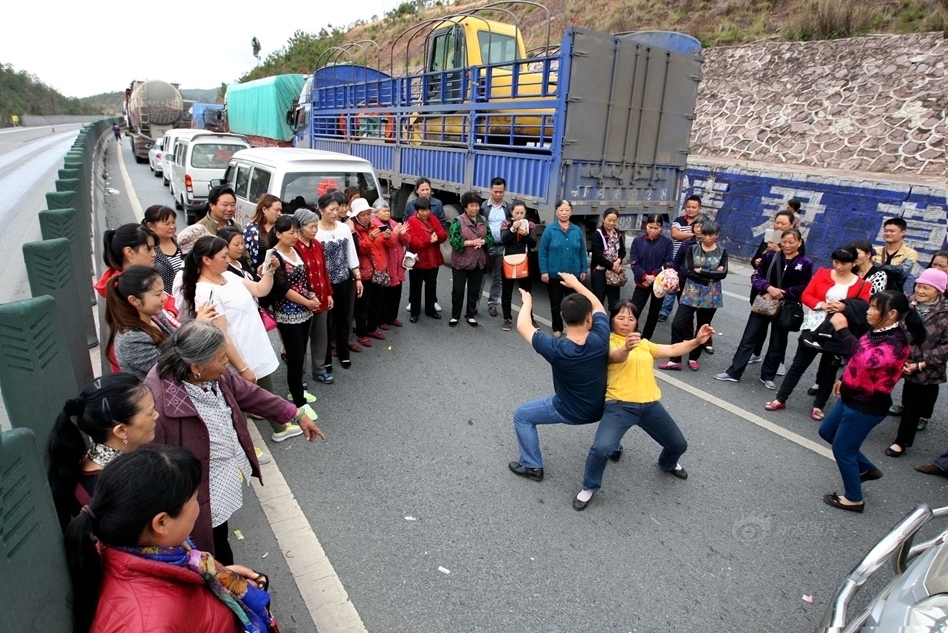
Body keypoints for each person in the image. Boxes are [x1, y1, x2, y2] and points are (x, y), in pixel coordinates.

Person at [146, 321, 325, 562]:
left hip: (219, 480)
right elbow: (154, 472)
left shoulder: (210, 374)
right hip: (194, 499)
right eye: (221, 358)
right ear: (195, 366)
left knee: (220, 537)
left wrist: (294, 413)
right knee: (211, 551)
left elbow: (248, 393)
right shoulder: (158, 408)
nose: (226, 363)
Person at [64, 446, 277, 633]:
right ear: (161, 523)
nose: (199, 504)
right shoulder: (147, 624)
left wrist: (219, 578)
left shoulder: (134, 550)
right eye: (194, 498)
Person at [573, 301, 715, 510]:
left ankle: (667, 464)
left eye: (631, 319)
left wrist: (697, 340)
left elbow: (674, 348)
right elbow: (615, 357)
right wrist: (627, 347)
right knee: (602, 448)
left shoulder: (644, 343)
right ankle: (589, 487)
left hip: (649, 405)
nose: (626, 322)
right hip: (619, 406)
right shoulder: (606, 342)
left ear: (636, 322)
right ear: (612, 320)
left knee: (679, 445)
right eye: (621, 318)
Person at [175, 236, 304, 442]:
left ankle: (279, 427)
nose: (229, 259)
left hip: (253, 347)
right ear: (206, 260)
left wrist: (269, 270)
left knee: (261, 391)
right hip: (238, 356)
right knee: (238, 403)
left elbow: (260, 289)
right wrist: (242, 368)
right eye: (223, 256)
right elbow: (220, 335)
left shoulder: (229, 276)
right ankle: (247, 446)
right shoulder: (205, 292)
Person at [818, 291, 926, 512]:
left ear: (892, 313)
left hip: (866, 406)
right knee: (827, 432)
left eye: (875, 307)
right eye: (870, 306)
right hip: (850, 395)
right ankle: (866, 469)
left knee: (843, 450)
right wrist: (843, 377)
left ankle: (854, 499)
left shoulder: (896, 341)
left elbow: (868, 360)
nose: (869, 311)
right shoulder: (878, 331)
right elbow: (859, 356)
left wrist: (843, 330)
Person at [509, 273, 608, 481]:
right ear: (589, 318)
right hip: (603, 408)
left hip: (569, 411)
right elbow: (598, 304)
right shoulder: (601, 337)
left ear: (562, 317)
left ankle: (532, 465)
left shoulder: (557, 348)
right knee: (616, 410)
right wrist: (576, 284)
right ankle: (613, 444)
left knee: (522, 415)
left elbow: (523, 326)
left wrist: (527, 302)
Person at [764, 246, 872, 419]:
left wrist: (845, 306)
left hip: (838, 330)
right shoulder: (822, 273)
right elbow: (806, 295)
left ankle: (818, 406)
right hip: (815, 325)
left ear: (853, 263)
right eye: (836, 262)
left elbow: (863, 308)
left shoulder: (862, 285)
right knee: (798, 364)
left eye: (844, 263)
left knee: (829, 370)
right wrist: (822, 304)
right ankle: (780, 398)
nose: (838, 267)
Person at [46, 374, 157, 530]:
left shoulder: (85, 462)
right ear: (121, 430)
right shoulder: (117, 491)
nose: (156, 416)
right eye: (150, 412)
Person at [715, 229, 812, 388]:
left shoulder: (805, 263)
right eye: (785, 242)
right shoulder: (770, 257)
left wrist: (782, 294)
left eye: (791, 242)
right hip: (764, 302)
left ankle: (768, 375)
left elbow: (804, 286)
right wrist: (768, 288)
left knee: (777, 342)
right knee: (749, 338)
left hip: (785, 306)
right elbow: (756, 277)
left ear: (799, 243)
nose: (787, 245)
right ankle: (734, 372)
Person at [107, 266, 215, 379]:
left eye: (163, 291)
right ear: (134, 300)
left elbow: (177, 338)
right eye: (158, 294)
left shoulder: (155, 315)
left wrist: (197, 324)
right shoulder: (130, 339)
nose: (165, 298)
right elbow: (170, 366)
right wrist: (198, 327)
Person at [885, 269, 948, 456]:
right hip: (899, 358)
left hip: (925, 367)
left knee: (913, 407)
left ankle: (901, 442)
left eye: (926, 288)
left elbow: (946, 346)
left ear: (939, 290)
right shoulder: (907, 303)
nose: (920, 291)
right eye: (919, 286)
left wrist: (920, 365)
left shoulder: (945, 312)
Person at [269, 215, 320, 411]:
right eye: (291, 233)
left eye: (297, 231)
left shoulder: (295, 251)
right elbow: (282, 288)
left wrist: (311, 295)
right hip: (289, 314)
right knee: (295, 356)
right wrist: (308, 302)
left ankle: (295, 389)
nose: (295, 235)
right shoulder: (274, 256)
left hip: (305, 310)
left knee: (301, 353)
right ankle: (299, 402)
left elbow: (303, 280)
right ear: (278, 234)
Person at [661, 220, 727, 371]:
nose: (707, 238)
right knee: (678, 323)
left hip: (711, 295)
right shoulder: (692, 248)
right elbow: (689, 271)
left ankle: (693, 358)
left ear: (716, 235)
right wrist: (712, 274)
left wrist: (702, 271)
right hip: (691, 292)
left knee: (702, 328)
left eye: (711, 235)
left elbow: (723, 274)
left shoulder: (722, 251)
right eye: (705, 234)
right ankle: (675, 359)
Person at [315, 191, 362, 370]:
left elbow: (351, 254)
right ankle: (325, 358)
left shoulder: (344, 228)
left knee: (343, 319)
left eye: (337, 209)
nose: (335, 213)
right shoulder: (315, 231)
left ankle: (343, 354)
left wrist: (357, 277)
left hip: (343, 279)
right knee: (324, 323)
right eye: (331, 209)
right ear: (321, 210)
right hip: (323, 284)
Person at [293, 207, 335, 385]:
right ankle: (299, 375)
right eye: (311, 227)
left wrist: (329, 294)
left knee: (320, 336)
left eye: (315, 226)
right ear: (300, 227)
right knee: (300, 341)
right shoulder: (294, 247)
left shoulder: (317, 244)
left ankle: (319, 370)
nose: (315, 230)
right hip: (303, 301)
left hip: (321, 297)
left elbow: (323, 271)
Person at [537, 199, 587, 337]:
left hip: (573, 274)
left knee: (573, 303)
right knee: (556, 303)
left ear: (571, 212)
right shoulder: (550, 230)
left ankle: (573, 328)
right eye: (561, 210)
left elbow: (582, 251)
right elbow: (543, 252)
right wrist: (544, 271)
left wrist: (583, 269)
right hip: (554, 274)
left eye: (567, 210)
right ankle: (557, 327)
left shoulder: (576, 230)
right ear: (556, 212)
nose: (564, 213)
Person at [448, 190, 493, 327]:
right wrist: (470, 243)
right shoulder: (458, 221)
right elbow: (454, 241)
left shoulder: (483, 220)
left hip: (478, 262)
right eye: (471, 206)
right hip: (460, 262)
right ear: (465, 207)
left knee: (474, 290)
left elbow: (490, 237)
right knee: (458, 290)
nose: (474, 208)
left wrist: (484, 241)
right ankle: (455, 316)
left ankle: (470, 314)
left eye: (477, 205)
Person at [351, 197, 391, 345]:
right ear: (356, 216)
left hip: (378, 271)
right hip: (364, 273)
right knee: (363, 306)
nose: (367, 217)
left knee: (376, 303)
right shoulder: (354, 230)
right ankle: (362, 333)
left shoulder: (375, 225)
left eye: (368, 213)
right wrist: (370, 238)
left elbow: (389, 244)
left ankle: (372, 328)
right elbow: (359, 249)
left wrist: (388, 237)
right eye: (363, 214)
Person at [628, 213, 674, 339]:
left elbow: (669, 263)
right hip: (642, 282)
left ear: (662, 228)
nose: (652, 230)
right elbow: (634, 262)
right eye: (650, 227)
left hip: (659, 284)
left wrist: (653, 275)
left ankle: (646, 338)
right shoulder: (638, 242)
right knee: (634, 310)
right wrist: (644, 276)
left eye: (656, 228)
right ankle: (632, 335)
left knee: (654, 313)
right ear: (646, 225)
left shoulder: (667, 243)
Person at [405, 194, 448, 323]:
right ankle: (415, 312)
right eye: (422, 210)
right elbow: (412, 241)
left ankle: (431, 310)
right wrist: (429, 240)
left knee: (431, 286)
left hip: (433, 259)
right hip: (418, 260)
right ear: (417, 211)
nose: (425, 213)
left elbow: (443, 234)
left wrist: (437, 237)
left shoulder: (434, 219)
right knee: (415, 287)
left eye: (427, 210)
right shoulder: (411, 221)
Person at [660, 195, 702, 321]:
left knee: (689, 291)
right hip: (676, 260)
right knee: (672, 287)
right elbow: (675, 234)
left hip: (694, 265)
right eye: (688, 207)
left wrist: (695, 234)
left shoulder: (703, 222)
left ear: (700, 208)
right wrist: (695, 234)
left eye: (694, 207)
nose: (690, 209)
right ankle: (664, 311)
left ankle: (685, 315)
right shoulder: (679, 220)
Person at [373, 198, 410, 330]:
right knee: (383, 295)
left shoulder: (394, 223)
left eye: (388, 210)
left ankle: (392, 317)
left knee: (396, 293)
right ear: (376, 212)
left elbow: (406, 242)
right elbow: (385, 242)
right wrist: (395, 234)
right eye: (384, 210)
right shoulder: (374, 226)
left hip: (397, 264)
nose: (388, 213)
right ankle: (381, 319)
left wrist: (403, 235)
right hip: (385, 265)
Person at [500, 200, 536, 331]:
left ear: (525, 212)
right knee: (507, 291)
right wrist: (513, 229)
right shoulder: (506, 223)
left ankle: (529, 317)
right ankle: (507, 318)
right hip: (508, 260)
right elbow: (503, 240)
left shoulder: (530, 224)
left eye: (522, 213)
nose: (519, 215)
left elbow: (533, 244)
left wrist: (526, 235)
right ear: (512, 213)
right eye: (517, 213)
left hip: (525, 260)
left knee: (526, 292)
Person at [94, 223, 157, 297]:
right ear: (129, 252)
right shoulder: (128, 288)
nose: (154, 254)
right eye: (148, 249)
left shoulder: (126, 280)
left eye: (154, 248)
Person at [479, 176, 511, 317]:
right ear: (490, 190)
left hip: (502, 247)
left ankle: (492, 304)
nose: (498, 195)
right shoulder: (483, 207)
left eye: (501, 192)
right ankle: (474, 305)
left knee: (498, 278)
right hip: (487, 247)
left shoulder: (509, 208)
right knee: (482, 276)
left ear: (504, 191)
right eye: (495, 191)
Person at [590, 208, 628, 312]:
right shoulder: (597, 234)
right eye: (609, 220)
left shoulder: (618, 233)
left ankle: (613, 326)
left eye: (614, 220)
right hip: (600, 270)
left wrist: (618, 261)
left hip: (614, 272)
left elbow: (623, 251)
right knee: (598, 301)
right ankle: (598, 325)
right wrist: (612, 266)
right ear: (603, 219)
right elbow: (598, 257)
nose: (612, 223)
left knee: (615, 303)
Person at [143, 205, 182, 295]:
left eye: (173, 222)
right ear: (151, 226)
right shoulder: (149, 250)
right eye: (167, 224)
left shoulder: (180, 241)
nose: (172, 227)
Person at [873, 217, 919, 293]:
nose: (888, 233)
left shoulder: (910, 253)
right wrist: (896, 269)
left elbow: (903, 272)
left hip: (894, 294)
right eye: (885, 231)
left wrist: (877, 266)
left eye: (892, 231)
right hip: (873, 291)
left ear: (902, 232)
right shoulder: (875, 251)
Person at [243, 193, 282, 271]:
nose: (279, 213)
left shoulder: (281, 228)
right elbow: (245, 255)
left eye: (280, 210)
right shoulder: (250, 229)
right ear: (264, 209)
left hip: (280, 274)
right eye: (276, 210)